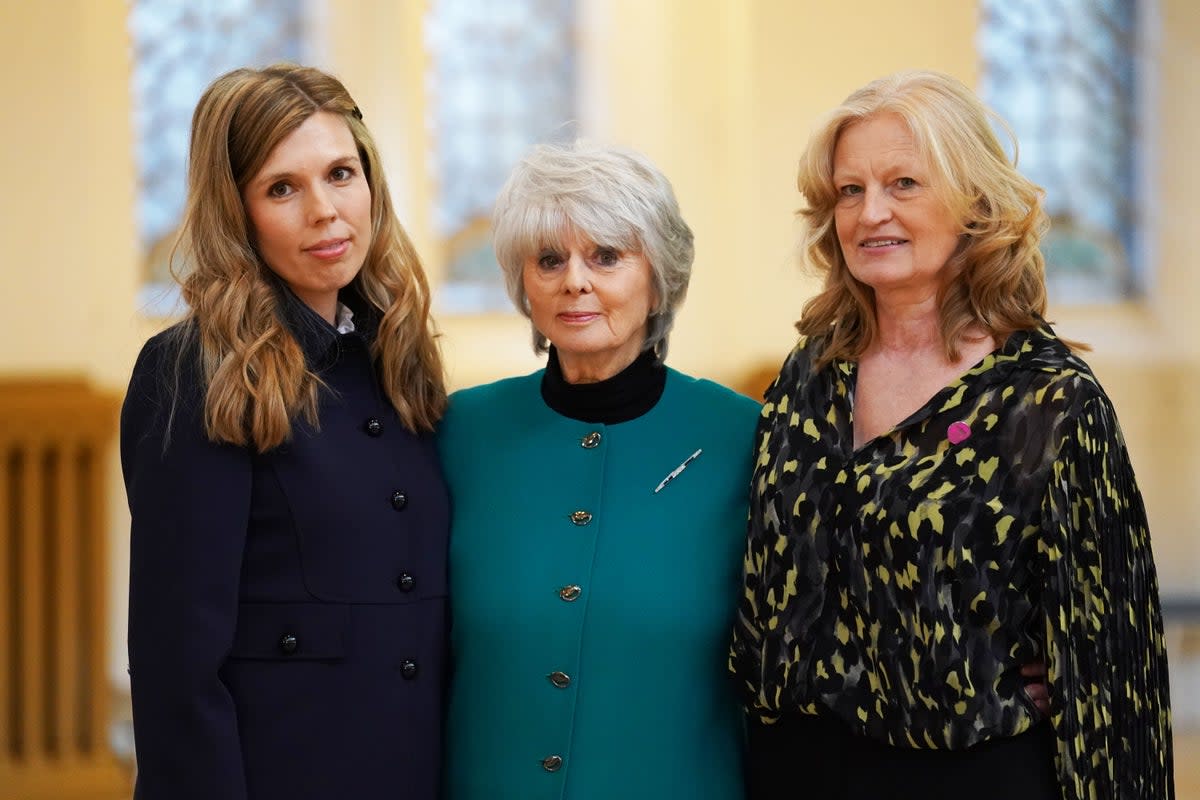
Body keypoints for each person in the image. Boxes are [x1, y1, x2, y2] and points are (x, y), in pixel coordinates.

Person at [729, 70, 1173, 799]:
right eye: (850, 190)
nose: (871, 213)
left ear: (973, 201)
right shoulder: (811, 376)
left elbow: (1112, 673)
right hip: (796, 768)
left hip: (964, 776)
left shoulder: (1047, 402)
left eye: (904, 183)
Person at [120, 64, 449, 800]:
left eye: (341, 173)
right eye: (282, 188)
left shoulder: (400, 358)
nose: (326, 211)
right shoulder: (191, 369)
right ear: (236, 212)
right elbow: (178, 670)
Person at [438, 141, 758, 799]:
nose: (574, 281)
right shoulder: (459, 432)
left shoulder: (742, 437)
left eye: (607, 256)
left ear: (658, 275)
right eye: (549, 260)